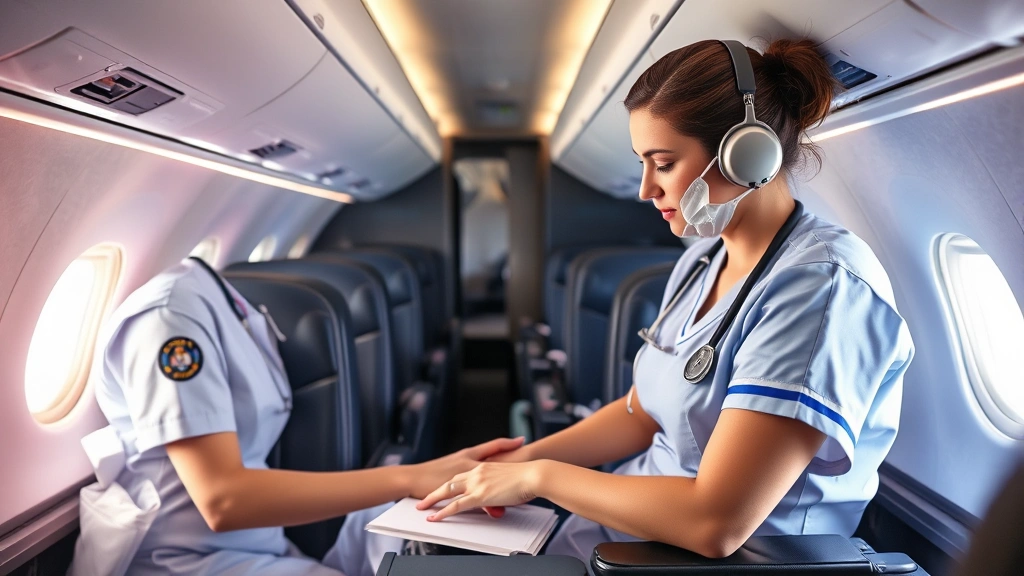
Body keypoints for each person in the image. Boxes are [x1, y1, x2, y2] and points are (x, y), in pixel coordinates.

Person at [416, 38, 915, 562]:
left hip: (714, 562)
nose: (645, 189)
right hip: (622, 538)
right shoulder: (702, 261)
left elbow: (715, 523)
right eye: (642, 163)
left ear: (748, 154)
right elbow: (640, 413)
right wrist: (517, 462)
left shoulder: (820, 289)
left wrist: (540, 477)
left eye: (663, 162)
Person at [68, 256, 523, 576]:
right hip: (185, 560)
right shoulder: (171, 319)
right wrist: (410, 477)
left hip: (254, 546)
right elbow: (223, 499)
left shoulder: (229, 307)